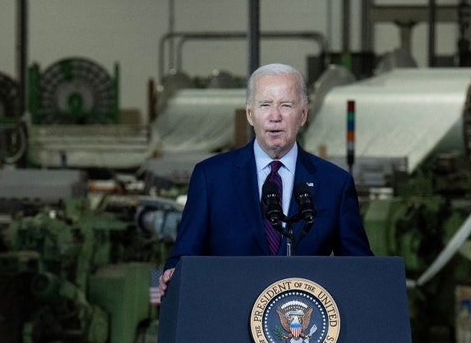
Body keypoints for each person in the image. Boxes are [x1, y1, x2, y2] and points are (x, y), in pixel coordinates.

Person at [158, 62, 372, 294]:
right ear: (250, 114)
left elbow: (360, 271)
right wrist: (173, 271)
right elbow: (184, 257)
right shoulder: (211, 178)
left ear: (303, 114)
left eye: (286, 105)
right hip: (228, 317)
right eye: (265, 105)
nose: (275, 117)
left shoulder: (335, 184)